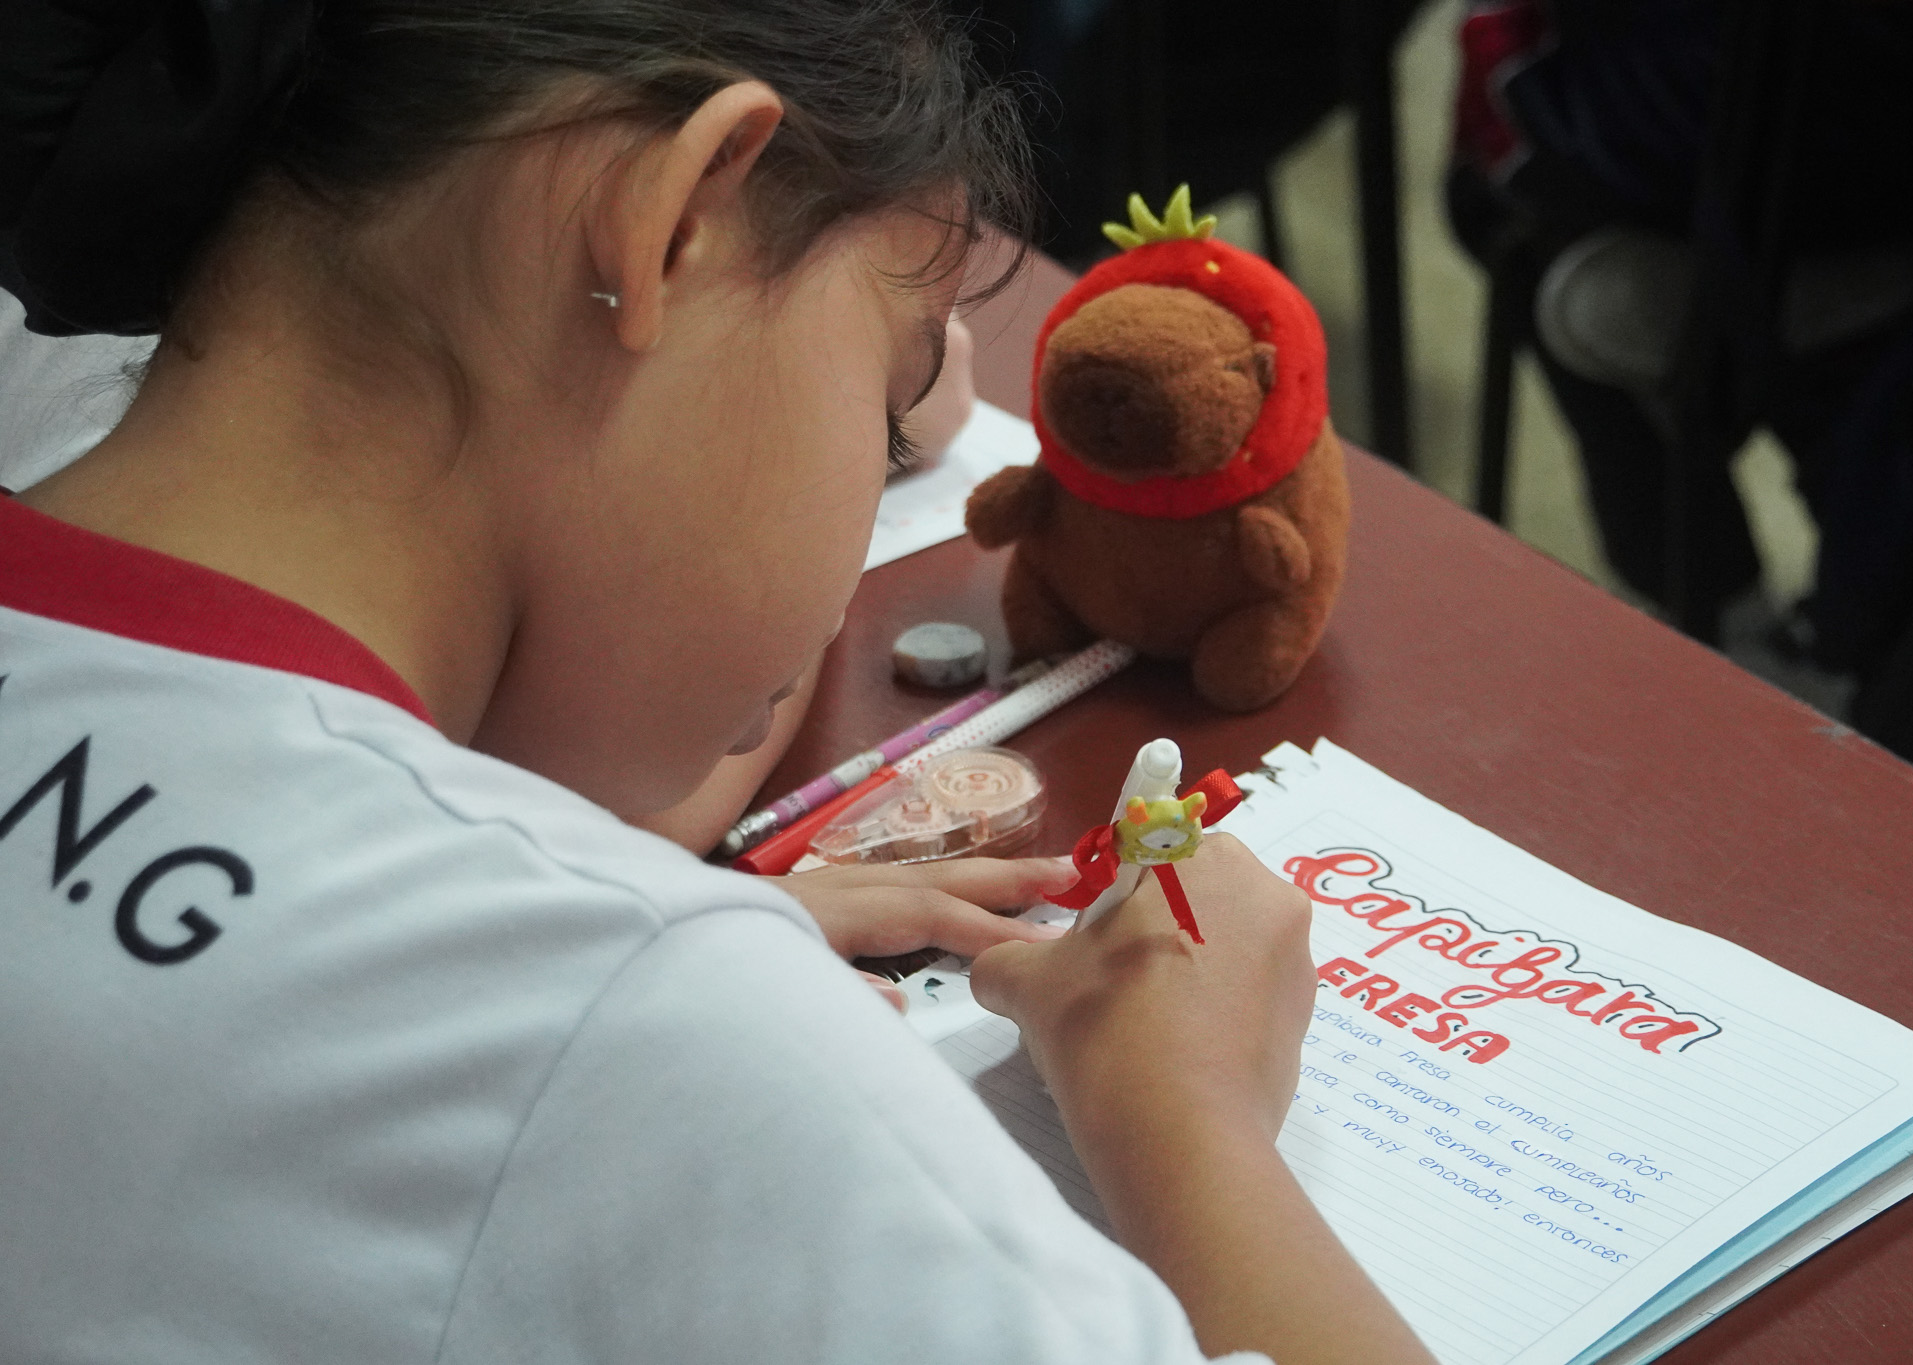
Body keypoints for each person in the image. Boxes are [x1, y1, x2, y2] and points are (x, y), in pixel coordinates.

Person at [0, 4, 1433, 1364]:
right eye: (887, 421)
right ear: (675, 220)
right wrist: (1190, 1116)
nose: (857, 535)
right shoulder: (648, 1036)